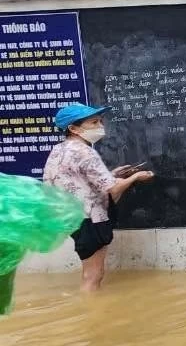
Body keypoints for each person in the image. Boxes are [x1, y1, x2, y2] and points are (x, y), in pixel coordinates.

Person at [42, 103, 153, 292]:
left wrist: (112, 173)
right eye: (93, 122)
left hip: (71, 216)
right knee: (93, 275)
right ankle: (90, 314)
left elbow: (76, 180)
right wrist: (136, 177)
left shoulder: (59, 150)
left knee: (89, 271)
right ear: (73, 128)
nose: (100, 126)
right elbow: (112, 189)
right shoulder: (86, 152)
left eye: (100, 121)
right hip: (91, 218)